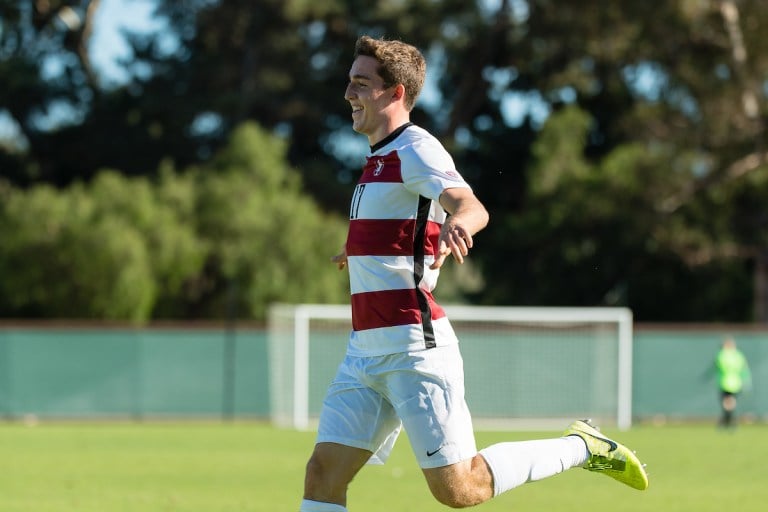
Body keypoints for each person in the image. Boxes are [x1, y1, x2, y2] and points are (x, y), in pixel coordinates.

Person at [299, 35, 649, 512]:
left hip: (413, 349)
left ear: (395, 93)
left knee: (460, 490)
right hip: (364, 352)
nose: (348, 94)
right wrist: (358, 249)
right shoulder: (377, 157)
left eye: (361, 83)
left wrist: (459, 224)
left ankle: (582, 446)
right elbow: (402, 226)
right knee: (322, 475)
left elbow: (469, 204)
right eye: (349, 82)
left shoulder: (417, 148)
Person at [715, 336, 751, 428]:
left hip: (725, 383)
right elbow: (744, 368)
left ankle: (728, 419)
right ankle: (729, 419)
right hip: (736, 383)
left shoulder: (722, 354)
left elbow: (719, 366)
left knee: (727, 402)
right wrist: (746, 381)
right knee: (730, 402)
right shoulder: (739, 355)